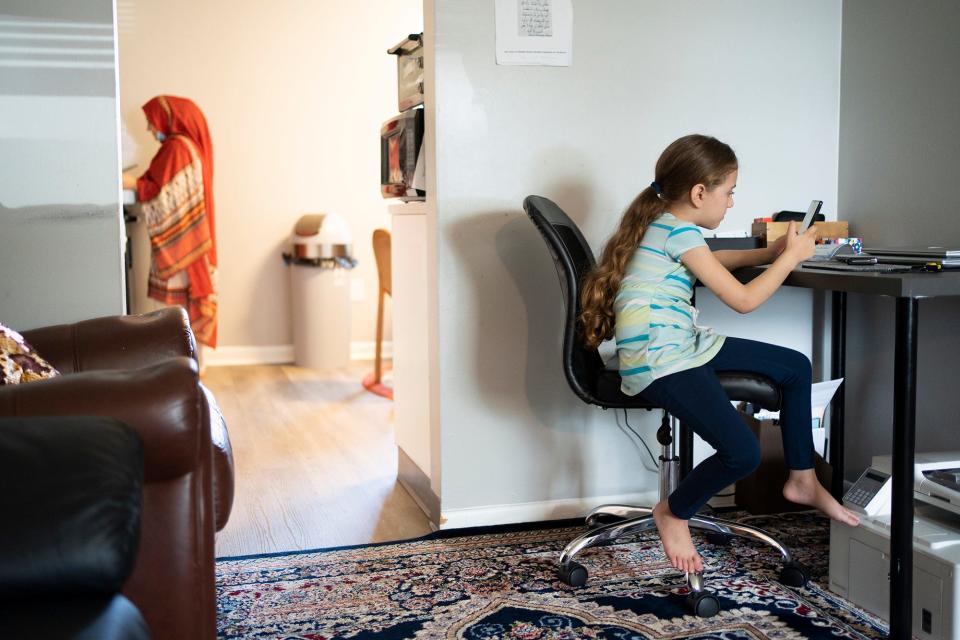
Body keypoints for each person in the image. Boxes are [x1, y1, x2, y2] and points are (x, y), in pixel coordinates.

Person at [579, 134, 860, 575]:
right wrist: (792, 259)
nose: (730, 203)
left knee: (794, 367)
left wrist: (771, 251)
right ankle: (673, 511)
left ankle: (802, 479)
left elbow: (711, 258)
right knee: (743, 453)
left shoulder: (668, 226)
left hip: (681, 345)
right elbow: (744, 302)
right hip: (660, 359)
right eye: (728, 192)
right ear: (699, 193)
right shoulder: (676, 229)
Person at [122, 95, 218, 348]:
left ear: (166, 118)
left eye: (151, 121)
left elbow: (161, 193)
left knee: (171, 318)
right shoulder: (185, 146)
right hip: (187, 248)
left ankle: (178, 371)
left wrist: (130, 183)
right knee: (181, 318)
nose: (149, 128)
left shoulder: (177, 148)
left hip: (178, 254)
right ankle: (189, 369)